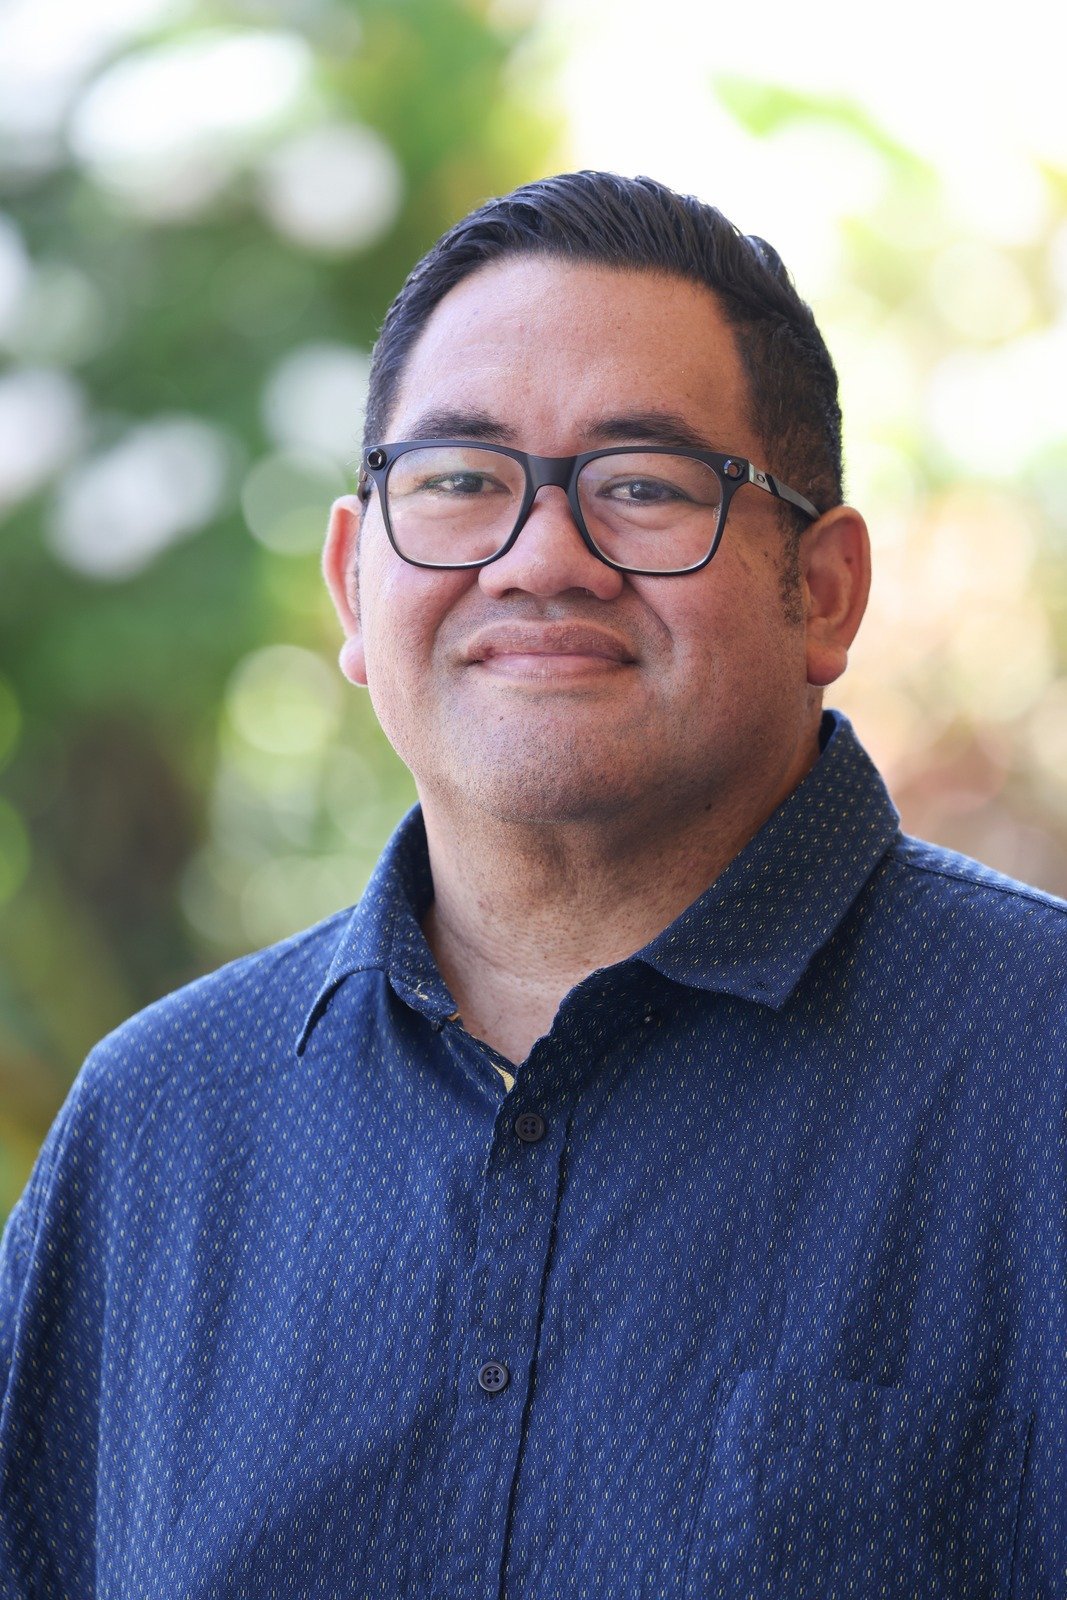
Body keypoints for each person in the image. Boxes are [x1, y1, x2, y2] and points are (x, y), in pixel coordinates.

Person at [1, 170, 1064, 1599]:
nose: (540, 558)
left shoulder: (1037, 1078)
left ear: (823, 590)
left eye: (640, 486)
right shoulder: (157, 1132)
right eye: (457, 483)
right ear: (352, 588)